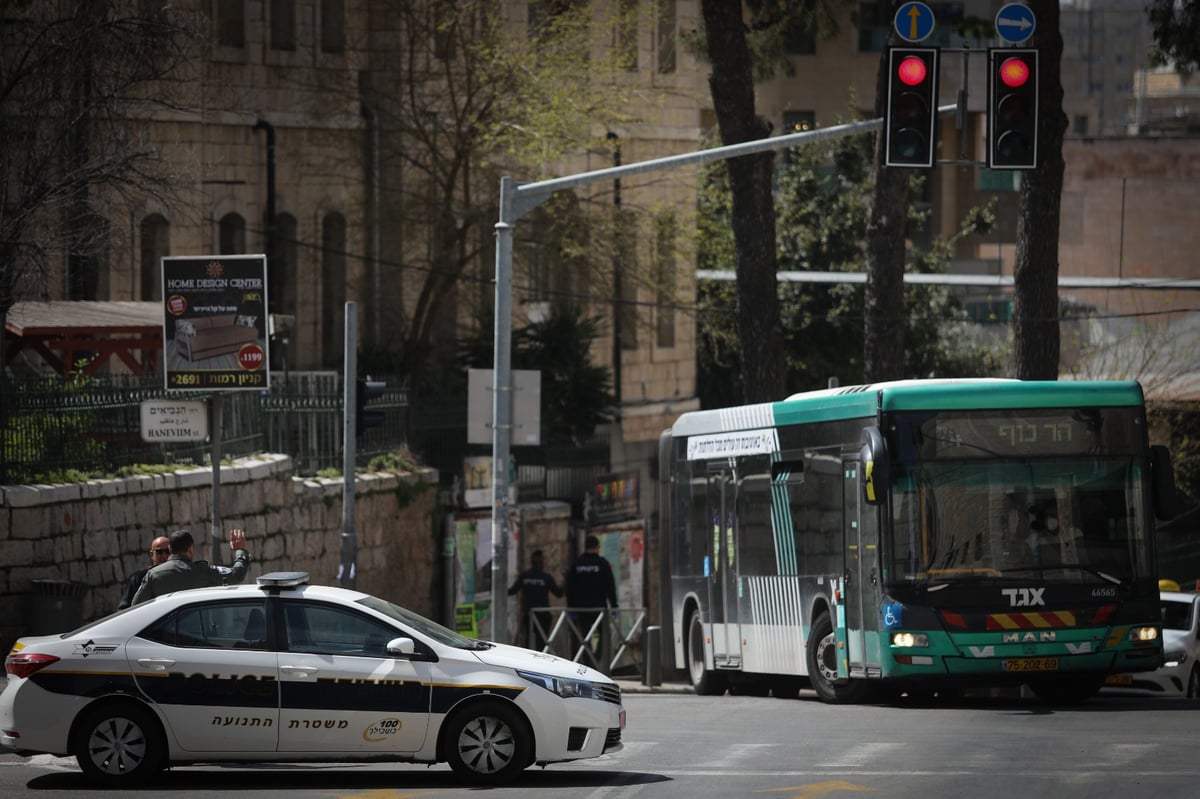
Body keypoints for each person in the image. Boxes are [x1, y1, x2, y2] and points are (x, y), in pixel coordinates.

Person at [131, 527, 251, 604]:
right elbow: (237, 574)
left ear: (170, 549)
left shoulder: (154, 574)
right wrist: (239, 550)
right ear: (191, 549)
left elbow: (135, 606)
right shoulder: (203, 571)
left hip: (163, 638)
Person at [565, 534, 618, 669]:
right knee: (604, 636)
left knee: (585, 637)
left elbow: (570, 588)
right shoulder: (602, 564)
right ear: (597, 547)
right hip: (599, 608)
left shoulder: (577, 564)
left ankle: (588, 663)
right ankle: (596, 659)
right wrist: (614, 606)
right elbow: (610, 586)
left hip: (582, 609)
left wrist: (571, 608)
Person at [507, 549, 563, 652]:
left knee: (529, 642)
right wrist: (565, 581)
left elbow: (512, 591)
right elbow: (559, 593)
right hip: (542, 615)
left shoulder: (525, 576)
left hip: (530, 615)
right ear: (542, 562)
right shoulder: (546, 577)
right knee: (541, 643)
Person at [117, 535, 171, 610]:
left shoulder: (178, 575)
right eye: (159, 552)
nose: (164, 555)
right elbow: (124, 609)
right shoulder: (137, 578)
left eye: (167, 551)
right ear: (152, 554)